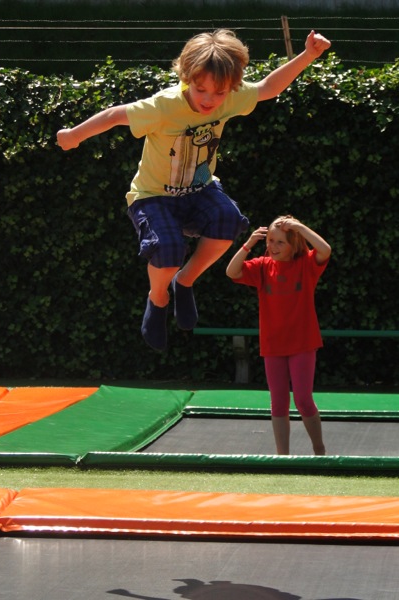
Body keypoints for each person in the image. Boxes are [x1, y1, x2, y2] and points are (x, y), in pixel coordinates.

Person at [57, 29, 331, 352]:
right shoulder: (164, 106)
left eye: (218, 94)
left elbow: (268, 88)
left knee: (228, 220)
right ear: (187, 77)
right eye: (200, 90)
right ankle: (157, 299)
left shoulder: (231, 96)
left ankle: (184, 282)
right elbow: (115, 115)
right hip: (153, 196)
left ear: (230, 88)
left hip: (199, 190)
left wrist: (309, 55)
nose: (208, 101)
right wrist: (74, 134)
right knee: (168, 249)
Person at [226, 215, 331, 455]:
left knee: (303, 400)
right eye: (270, 241)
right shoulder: (263, 266)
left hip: (303, 343)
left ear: (293, 244)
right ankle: (282, 457)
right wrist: (248, 244)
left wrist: (300, 226)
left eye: (280, 242)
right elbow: (231, 272)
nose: (273, 246)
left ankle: (319, 448)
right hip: (273, 346)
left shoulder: (306, 263)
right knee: (279, 404)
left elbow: (325, 249)